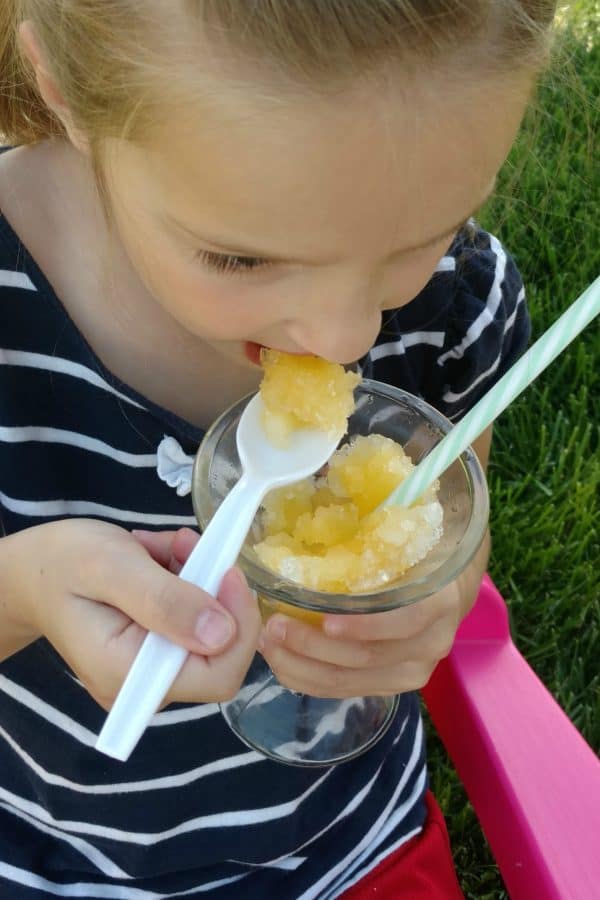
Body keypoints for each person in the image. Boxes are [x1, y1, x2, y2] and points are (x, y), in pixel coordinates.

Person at [0, 1, 556, 897]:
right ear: (65, 93)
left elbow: (458, 525)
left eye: (420, 239)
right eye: (238, 260)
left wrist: (435, 599)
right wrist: (24, 588)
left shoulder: (457, 307)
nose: (342, 335)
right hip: (55, 862)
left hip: (344, 846)